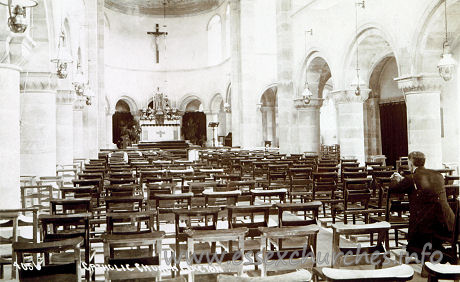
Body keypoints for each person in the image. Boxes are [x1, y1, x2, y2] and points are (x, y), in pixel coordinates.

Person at [389, 151, 455, 256]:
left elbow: (393, 189)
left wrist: (396, 180)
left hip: (425, 227)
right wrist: (405, 180)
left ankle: (428, 255)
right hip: (447, 224)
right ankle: (438, 249)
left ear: (410, 163)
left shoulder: (411, 178)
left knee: (412, 249)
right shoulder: (438, 175)